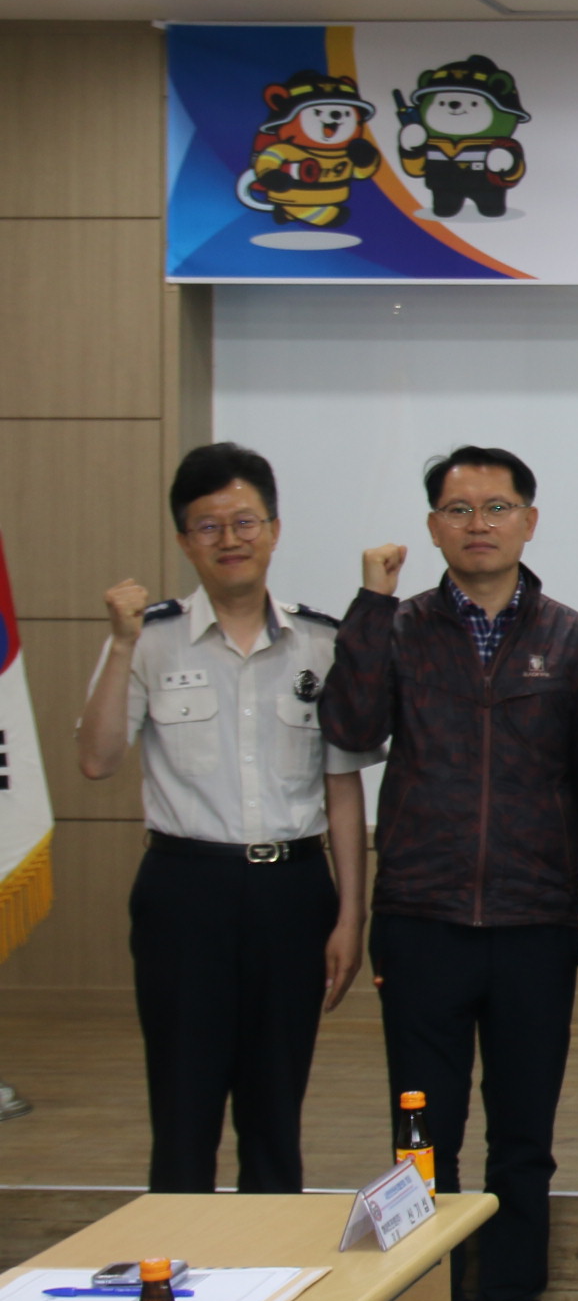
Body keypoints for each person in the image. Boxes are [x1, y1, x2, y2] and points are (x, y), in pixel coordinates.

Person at [321, 444, 578, 1301]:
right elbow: (350, 729)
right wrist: (369, 604)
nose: (479, 524)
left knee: (524, 1140)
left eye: (498, 507)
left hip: (535, 921)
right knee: (422, 1141)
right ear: (433, 527)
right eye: (459, 509)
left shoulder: (571, 638)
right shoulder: (400, 627)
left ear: (529, 521)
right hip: (423, 915)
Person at [74, 442, 377, 1194]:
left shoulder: (323, 642)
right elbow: (97, 759)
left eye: (245, 522)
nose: (230, 539)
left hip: (292, 892)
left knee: (275, 1116)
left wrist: (351, 915)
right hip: (185, 891)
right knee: (183, 1113)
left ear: (274, 529)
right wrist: (120, 644)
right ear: (185, 541)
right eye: (209, 526)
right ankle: (178, 1265)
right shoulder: (147, 638)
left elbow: (342, 788)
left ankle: (271, 1265)